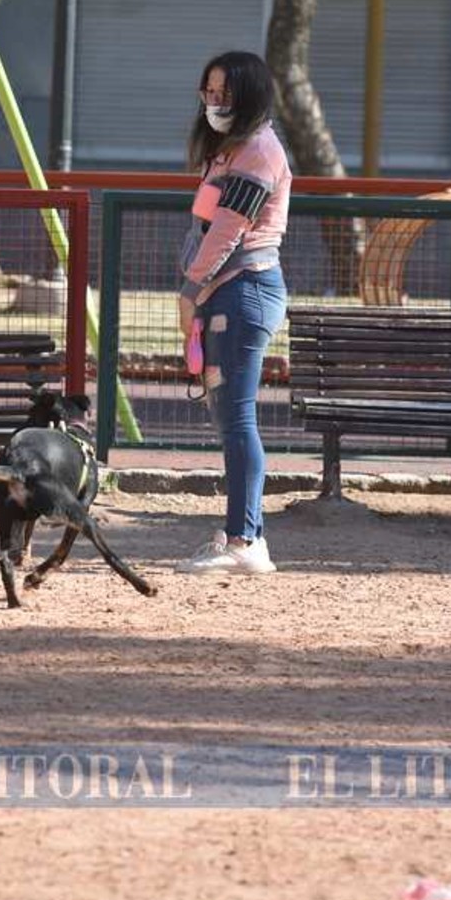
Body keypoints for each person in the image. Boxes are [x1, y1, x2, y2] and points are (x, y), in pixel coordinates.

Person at [175, 50, 291, 576]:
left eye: (224, 93)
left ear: (249, 96)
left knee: (237, 417)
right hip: (227, 292)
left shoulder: (259, 151)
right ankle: (244, 533)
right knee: (228, 416)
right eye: (209, 91)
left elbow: (227, 230)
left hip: (245, 291)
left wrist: (190, 291)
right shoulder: (230, 150)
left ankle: (246, 539)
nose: (214, 102)